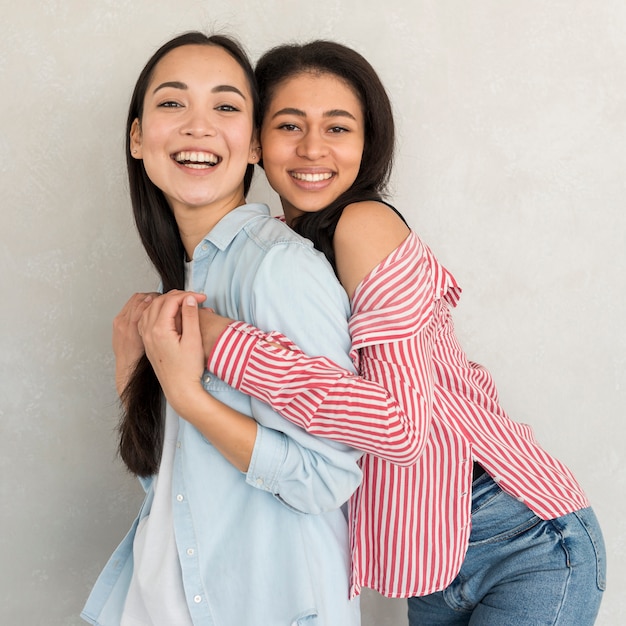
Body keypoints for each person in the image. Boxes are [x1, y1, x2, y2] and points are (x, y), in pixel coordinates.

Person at [196, 40, 606, 625]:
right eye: (290, 125)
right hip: (433, 552)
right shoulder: (282, 247)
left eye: (338, 128)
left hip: (522, 539)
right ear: (258, 141)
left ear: (368, 142)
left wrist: (223, 343)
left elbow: (396, 422)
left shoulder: (362, 224)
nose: (313, 148)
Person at [81, 32, 366, 626]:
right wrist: (131, 377)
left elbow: (328, 478)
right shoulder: (184, 279)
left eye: (226, 106)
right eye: (171, 103)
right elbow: (187, 490)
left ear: (255, 144)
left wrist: (186, 395)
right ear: (137, 137)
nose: (197, 126)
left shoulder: (279, 269)